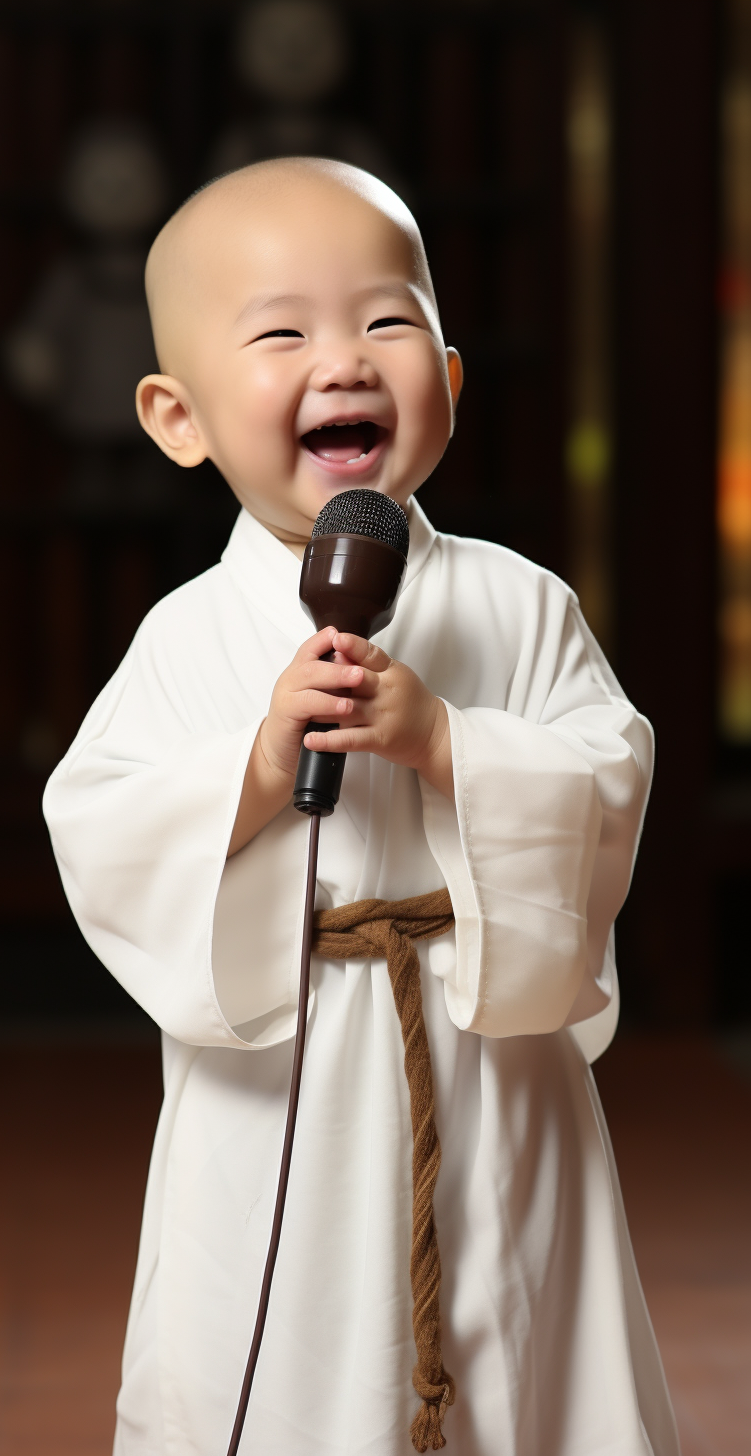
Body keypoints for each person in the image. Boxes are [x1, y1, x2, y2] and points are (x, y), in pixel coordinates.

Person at [43, 158, 680, 1456]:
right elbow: (102, 823)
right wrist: (263, 768)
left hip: (487, 1067)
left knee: (515, 1340)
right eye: (281, 332)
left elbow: (609, 784)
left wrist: (451, 744)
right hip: (281, 1081)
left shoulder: (519, 606)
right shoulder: (185, 638)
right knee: (275, 1353)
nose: (343, 361)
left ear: (445, 381)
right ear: (178, 415)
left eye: (385, 321)